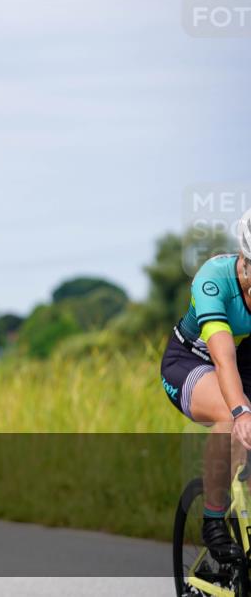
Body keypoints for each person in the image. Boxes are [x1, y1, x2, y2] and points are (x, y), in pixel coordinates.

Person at [160, 208, 251, 562]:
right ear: (245, 259)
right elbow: (223, 358)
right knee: (231, 418)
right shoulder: (213, 280)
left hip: (243, 361)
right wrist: (241, 411)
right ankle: (213, 520)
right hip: (191, 361)